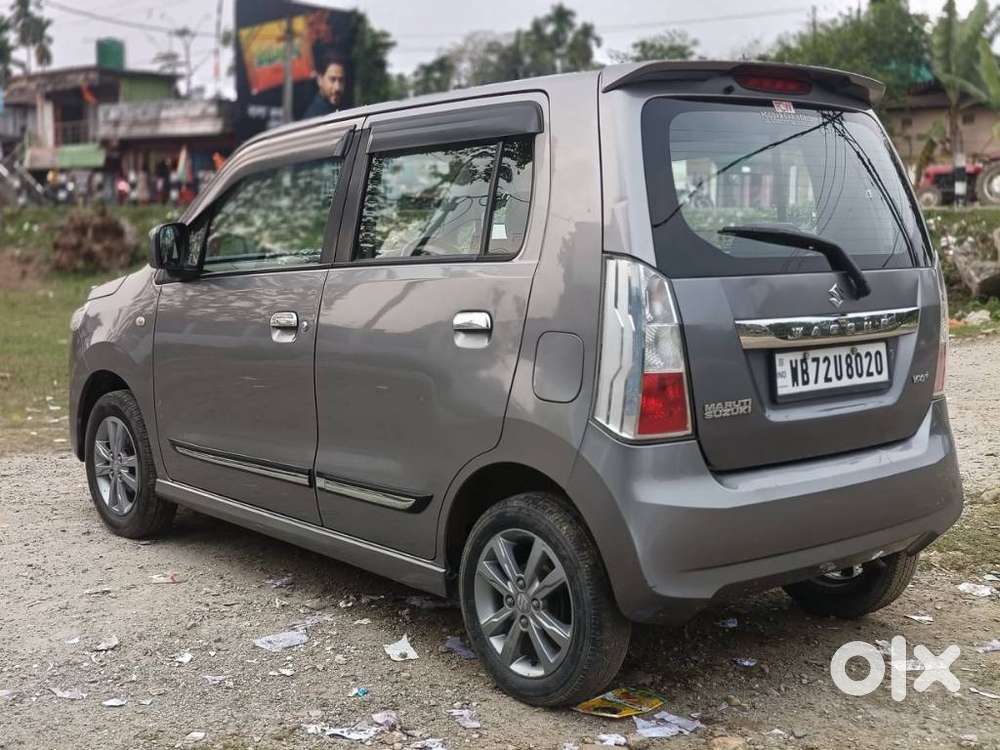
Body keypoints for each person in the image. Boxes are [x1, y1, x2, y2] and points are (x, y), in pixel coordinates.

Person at [303, 50, 346, 119]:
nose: (337, 87)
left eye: (341, 80)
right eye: (332, 80)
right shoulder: (314, 117)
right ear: (320, 80)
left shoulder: (343, 110)